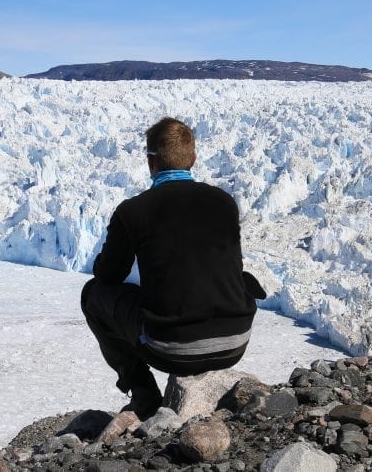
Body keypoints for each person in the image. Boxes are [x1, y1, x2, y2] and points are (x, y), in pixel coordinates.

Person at [81, 117, 266, 419]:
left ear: (150, 161)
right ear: (193, 159)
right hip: (235, 343)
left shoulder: (133, 211)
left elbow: (107, 276)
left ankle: (143, 394)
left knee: (93, 295)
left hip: (171, 349)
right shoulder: (224, 202)